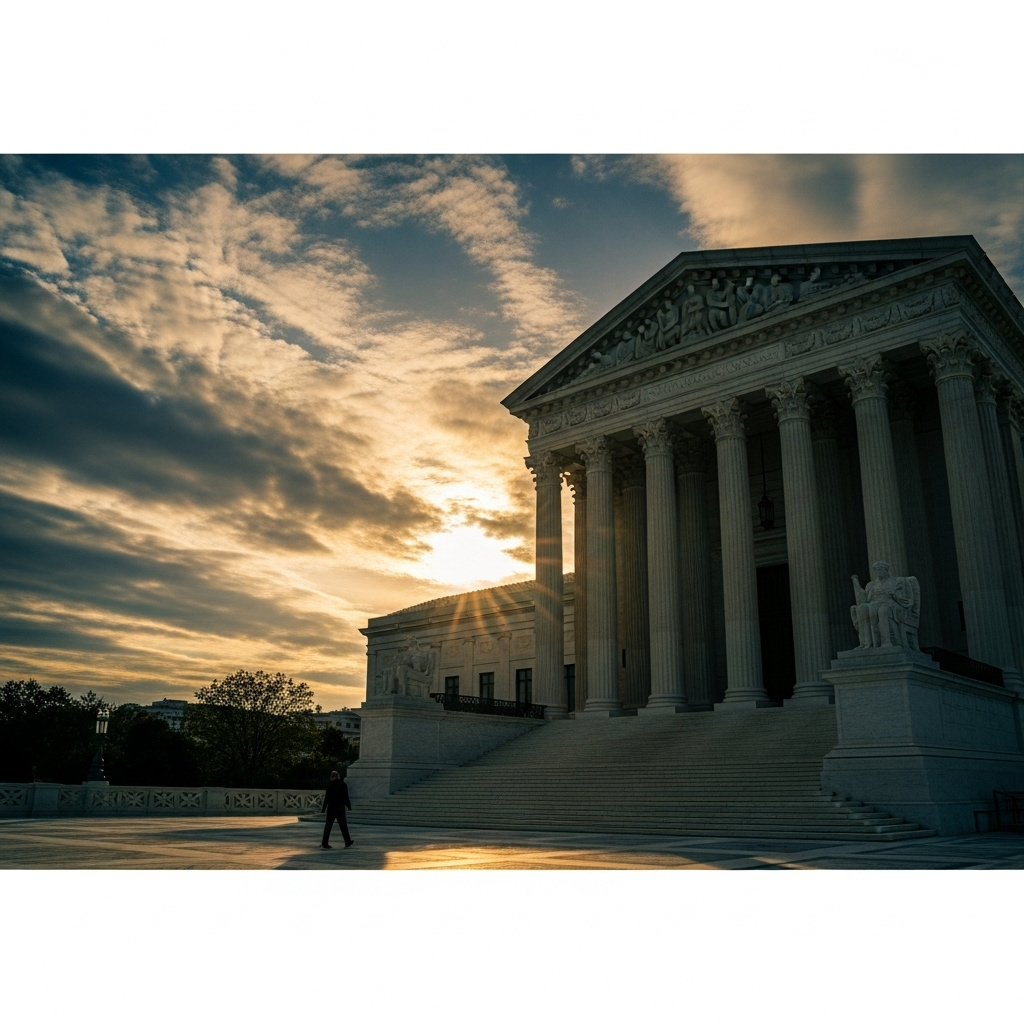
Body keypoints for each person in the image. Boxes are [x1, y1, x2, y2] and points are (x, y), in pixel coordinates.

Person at [320, 769, 353, 849]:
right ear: (338, 776)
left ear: (331, 777)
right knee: (343, 826)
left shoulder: (330, 785)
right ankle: (347, 841)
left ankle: (325, 843)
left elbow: (326, 798)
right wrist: (349, 806)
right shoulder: (343, 784)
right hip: (340, 809)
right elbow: (346, 797)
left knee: (328, 826)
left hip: (331, 808)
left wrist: (323, 809)